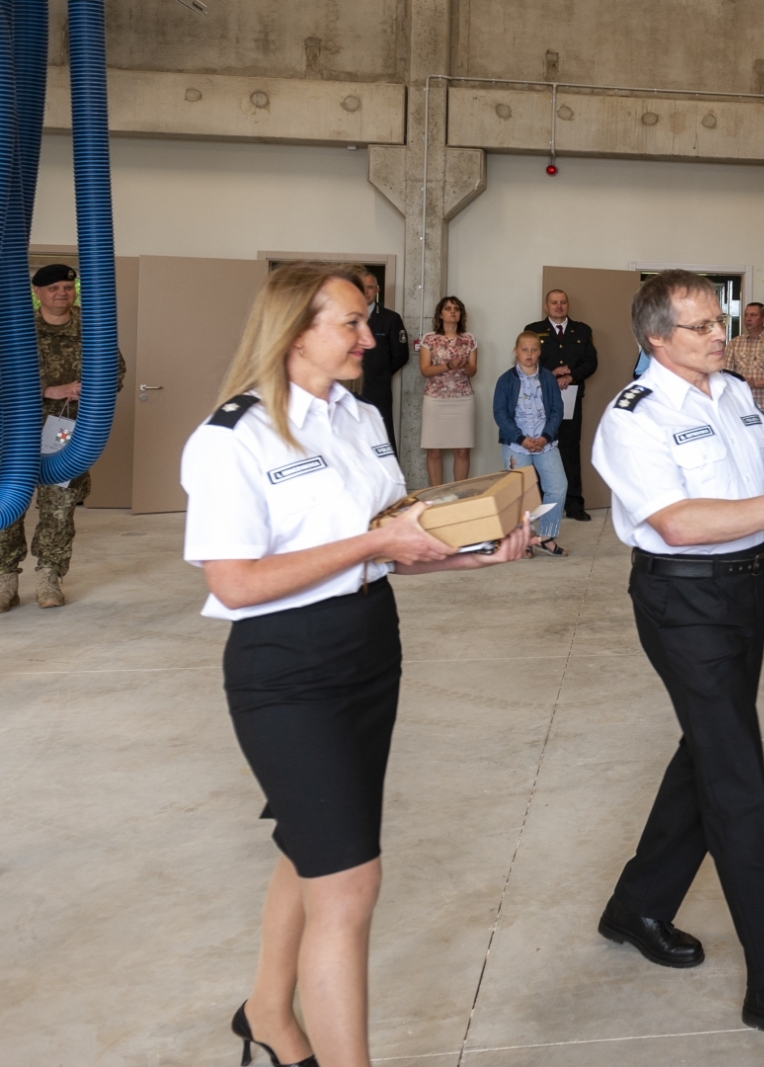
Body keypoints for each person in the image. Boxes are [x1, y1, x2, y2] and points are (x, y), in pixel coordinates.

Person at [179, 262, 528, 1067]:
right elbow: (235, 580)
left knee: (313, 843)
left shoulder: (359, 418)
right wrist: (375, 542)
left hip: (369, 646)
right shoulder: (234, 436)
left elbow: (389, 546)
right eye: (352, 323)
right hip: (286, 667)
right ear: (294, 330)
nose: (371, 338)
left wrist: (464, 557)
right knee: (349, 884)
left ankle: (268, 1012)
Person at [590, 269, 764, 1043]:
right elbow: (677, 522)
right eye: (701, 326)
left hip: (747, 590)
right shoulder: (633, 417)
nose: (720, 334)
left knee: (709, 753)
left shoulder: (733, 394)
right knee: (737, 776)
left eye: (719, 320)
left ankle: (637, 906)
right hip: (684, 600)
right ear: (656, 338)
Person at [1, 264, 125, 611]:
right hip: (16, 429)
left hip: (66, 432)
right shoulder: (16, 326)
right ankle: (4, 577)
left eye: (67, 288)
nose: (61, 293)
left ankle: (49, 577)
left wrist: (95, 391)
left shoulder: (93, 326)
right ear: (37, 293)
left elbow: (115, 371)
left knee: (59, 507)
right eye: (53, 287)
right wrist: (49, 389)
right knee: (9, 504)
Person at [493, 331, 569, 556]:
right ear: (516, 351)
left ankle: (546, 536)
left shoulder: (547, 378)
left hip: (545, 443)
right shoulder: (506, 380)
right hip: (517, 445)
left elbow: (557, 409)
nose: (529, 354)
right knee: (521, 492)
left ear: (539, 352)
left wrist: (545, 436)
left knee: (557, 486)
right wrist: (521, 438)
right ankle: (524, 539)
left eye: (534, 350)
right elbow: (499, 413)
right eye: (524, 350)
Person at [525, 289, 598, 521]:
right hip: (539, 398)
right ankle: (537, 504)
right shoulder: (533, 330)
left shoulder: (583, 330)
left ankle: (574, 504)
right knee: (538, 448)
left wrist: (571, 376)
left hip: (570, 397)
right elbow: (526, 361)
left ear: (567, 305)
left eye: (563, 302)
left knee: (569, 450)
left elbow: (591, 362)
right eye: (554, 303)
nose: (559, 306)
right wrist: (550, 374)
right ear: (546, 306)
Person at [419, 296, 477, 486]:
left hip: (462, 400)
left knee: (462, 450)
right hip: (435, 400)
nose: (453, 312)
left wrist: (462, 366)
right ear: (440, 314)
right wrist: (449, 365)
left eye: (457, 309)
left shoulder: (469, 339)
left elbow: (473, 371)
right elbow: (425, 370)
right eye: (448, 308)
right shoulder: (429, 339)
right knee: (434, 450)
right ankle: (436, 497)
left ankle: (458, 497)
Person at [355, 271, 409, 448]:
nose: (366, 291)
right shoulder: (346, 317)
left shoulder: (390, 318)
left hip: (378, 390)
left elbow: (401, 355)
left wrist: (381, 372)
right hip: (349, 388)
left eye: (370, 287)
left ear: (377, 290)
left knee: (382, 438)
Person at [723, 301, 764, 418]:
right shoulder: (734, 343)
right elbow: (725, 376)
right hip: (738, 409)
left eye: (753, 315)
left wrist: (756, 383)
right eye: (746, 315)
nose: (748, 319)